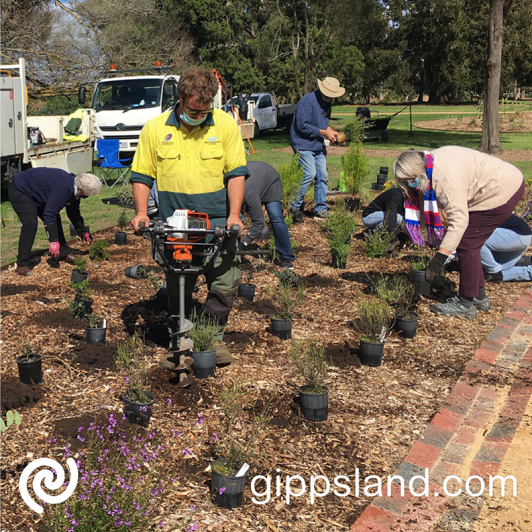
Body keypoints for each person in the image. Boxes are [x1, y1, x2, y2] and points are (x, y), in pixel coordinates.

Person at [130, 67, 249, 365]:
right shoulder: (155, 129)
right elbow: (142, 174)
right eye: (193, 110)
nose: (198, 117)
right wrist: (142, 213)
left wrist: (235, 215)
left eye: (203, 112)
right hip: (175, 223)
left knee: (224, 282)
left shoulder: (224, 125)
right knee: (179, 283)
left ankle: (212, 338)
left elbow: (236, 173)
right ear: (180, 98)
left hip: (218, 219)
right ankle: (180, 338)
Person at [392, 146, 525, 319]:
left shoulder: (444, 179)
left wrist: (440, 258)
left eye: (410, 181)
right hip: (496, 185)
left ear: (418, 172)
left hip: (502, 190)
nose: (409, 186)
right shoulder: (428, 166)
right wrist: (403, 235)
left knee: (467, 243)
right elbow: (424, 207)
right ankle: (478, 296)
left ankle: (466, 304)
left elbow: (459, 220)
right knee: (470, 243)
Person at [8, 169, 101, 276]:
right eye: (88, 194)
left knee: (55, 218)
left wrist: (82, 231)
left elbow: (73, 212)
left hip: (37, 191)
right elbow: (49, 214)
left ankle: (63, 252)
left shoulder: (76, 187)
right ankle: (22, 264)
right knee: (30, 224)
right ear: (81, 191)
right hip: (21, 189)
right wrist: (53, 241)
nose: (88, 196)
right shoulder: (64, 188)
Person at [289, 77, 344, 221]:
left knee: (322, 176)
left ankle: (320, 208)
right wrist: (325, 133)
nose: (332, 98)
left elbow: (323, 125)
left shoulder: (327, 104)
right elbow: (302, 126)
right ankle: (293, 206)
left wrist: (333, 133)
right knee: (309, 173)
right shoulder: (307, 102)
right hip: (303, 144)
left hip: (318, 145)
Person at [238, 161, 296, 269]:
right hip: (255, 179)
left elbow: (259, 223)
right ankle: (235, 254)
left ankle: (287, 257)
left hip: (270, 180)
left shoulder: (249, 195)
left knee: (275, 217)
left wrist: (244, 243)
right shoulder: (228, 191)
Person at [481, 214, 532, 282]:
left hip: (515, 234)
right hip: (523, 235)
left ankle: (494, 271)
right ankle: (495, 272)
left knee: (474, 241)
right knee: (495, 272)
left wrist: (493, 269)